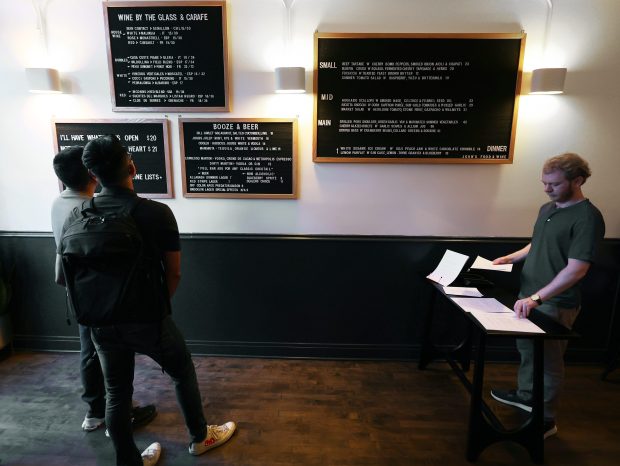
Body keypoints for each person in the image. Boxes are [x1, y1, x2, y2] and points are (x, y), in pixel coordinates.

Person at [64, 135, 236, 466]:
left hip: (99, 321)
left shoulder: (77, 215)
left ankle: (128, 461)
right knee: (181, 370)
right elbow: (174, 273)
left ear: (93, 176)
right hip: (146, 317)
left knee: (116, 392)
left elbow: (65, 276)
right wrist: (154, 306)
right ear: (131, 166)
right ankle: (200, 438)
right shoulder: (155, 213)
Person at [490, 153, 605, 439]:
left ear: (577, 180)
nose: (547, 189)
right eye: (544, 182)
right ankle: (527, 396)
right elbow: (538, 243)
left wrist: (537, 299)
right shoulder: (547, 208)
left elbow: (577, 270)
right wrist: (509, 258)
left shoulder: (587, 217)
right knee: (528, 352)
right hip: (528, 296)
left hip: (554, 303)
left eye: (553, 184)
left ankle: (546, 419)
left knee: (549, 363)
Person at [51, 146, 156, 433]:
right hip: (103, 296)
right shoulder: (82, 209)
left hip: (81, 294)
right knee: (111, 360)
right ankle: (112, 416)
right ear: (91, 173)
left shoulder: (59, 203)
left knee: (92, 353)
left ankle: (98, 411)